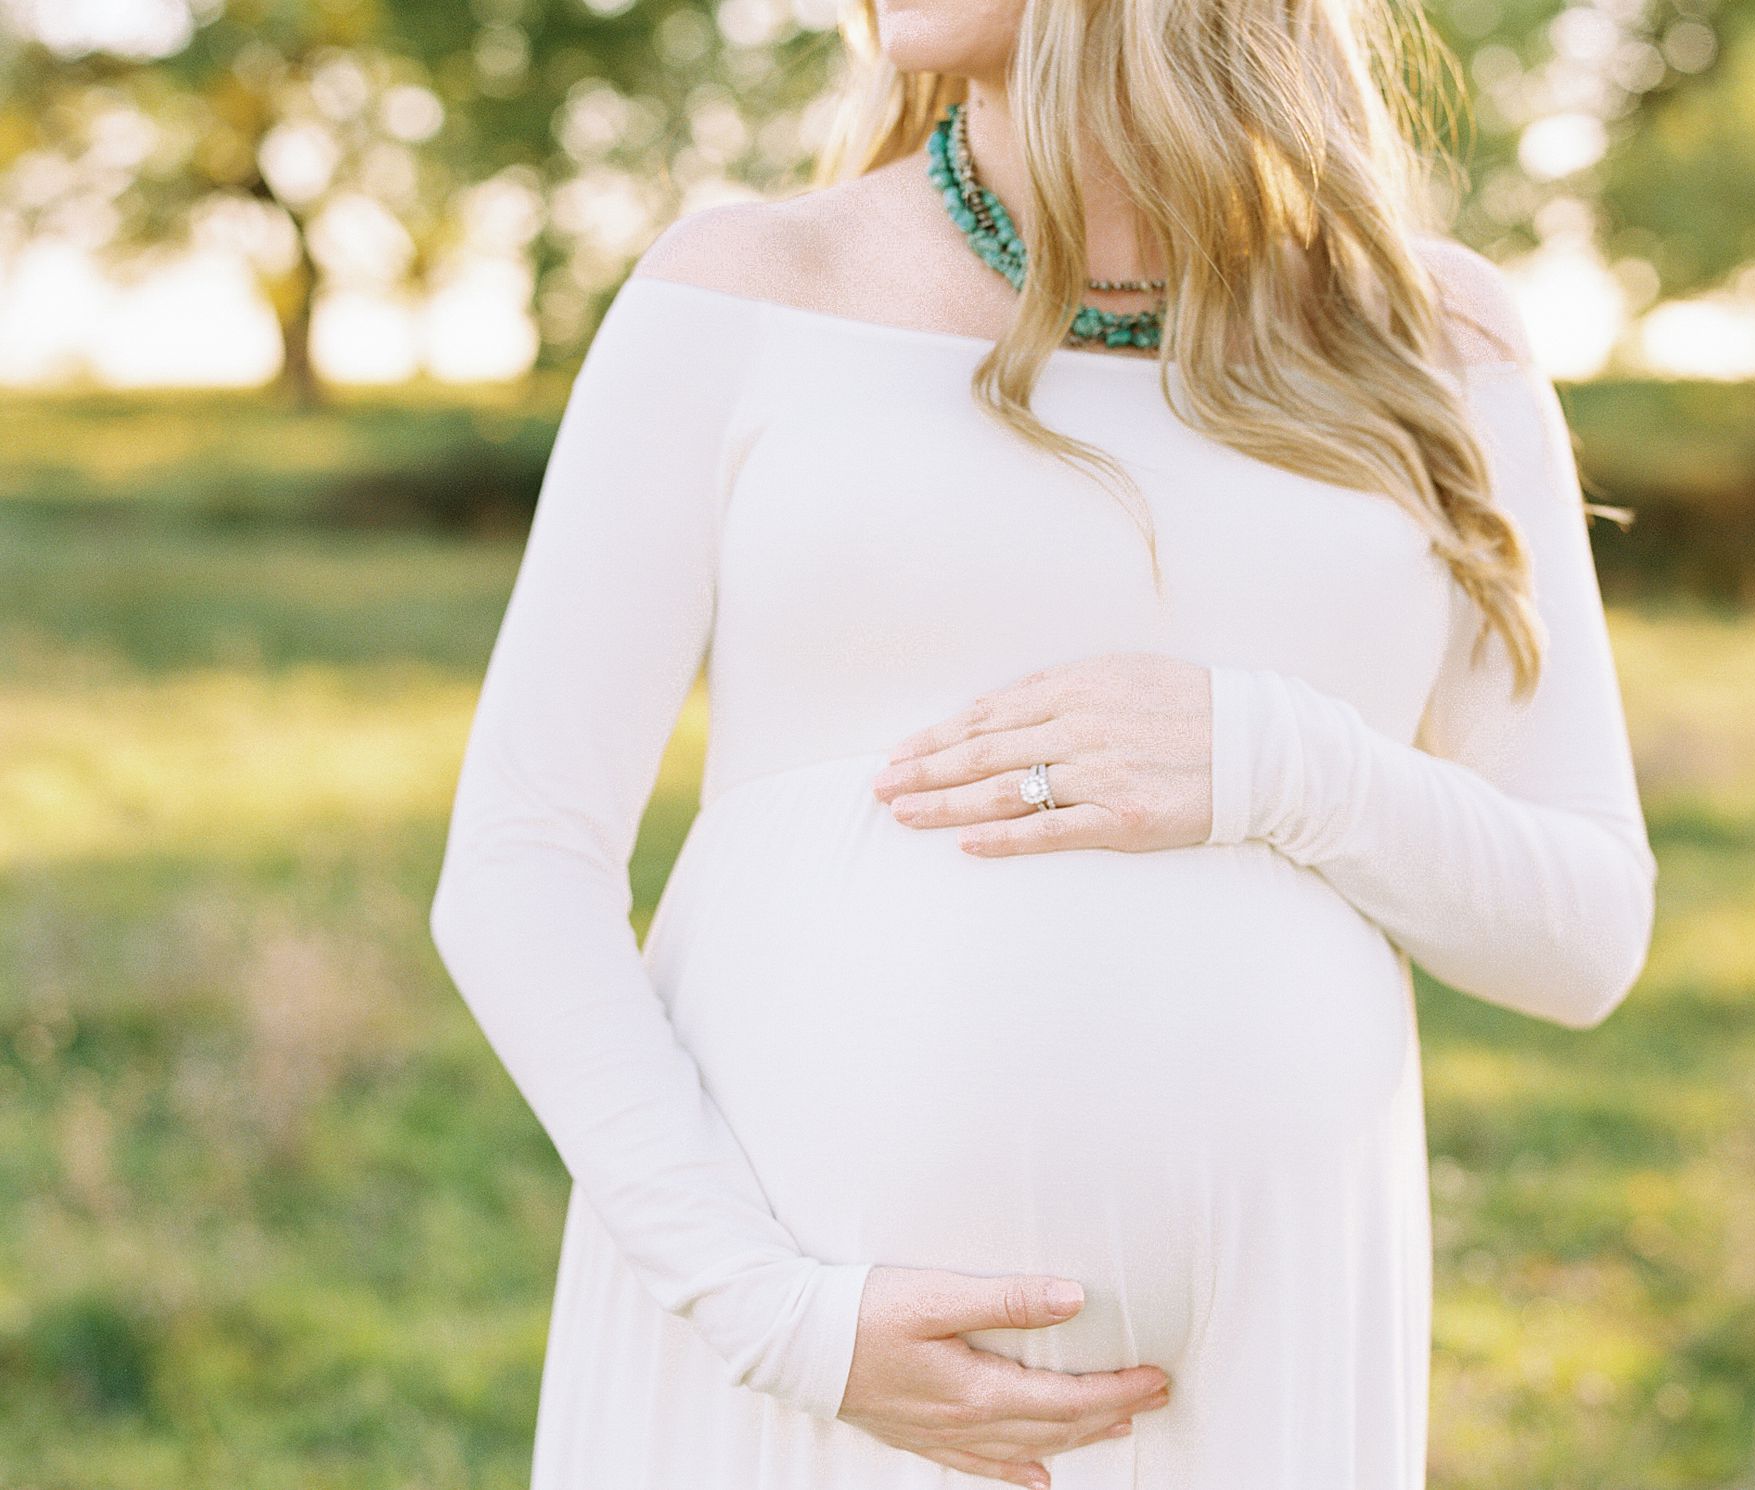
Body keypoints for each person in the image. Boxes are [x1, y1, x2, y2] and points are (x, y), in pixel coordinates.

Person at [425, 0, 1660, 1482]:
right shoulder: (744, 289)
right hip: (797, 1355)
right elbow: (519, 861)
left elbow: (1587, 933)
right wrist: (777, 1314)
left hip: (1263, 1377)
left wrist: (1275, 759)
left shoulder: (1433, 333)